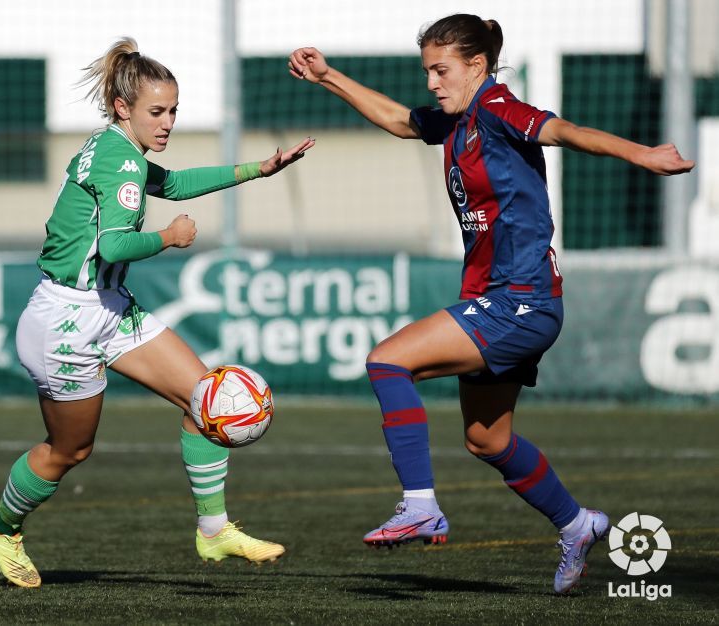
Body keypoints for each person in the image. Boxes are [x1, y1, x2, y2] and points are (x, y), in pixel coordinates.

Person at [289, 14, 693, 594]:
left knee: (387, 361)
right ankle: (578, 523)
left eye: (441, 70)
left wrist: (643, 155)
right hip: (505, 300)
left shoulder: (499, 108)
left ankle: (421, 503)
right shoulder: (458, 122)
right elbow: (400, 122)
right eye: (427, 70)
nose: (431, 82)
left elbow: (564, 131)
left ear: (477, 67)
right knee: (487, 440)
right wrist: (329, 77)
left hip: (518, 299)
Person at [0, 37, 315, 588]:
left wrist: (261, 168)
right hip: (67, 321)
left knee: (202, 397)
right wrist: (169, 236)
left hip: (109, 307)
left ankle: (213, 530)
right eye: (158, 111)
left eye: (174, 110)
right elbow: (112, 247)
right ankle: (2, 526)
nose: (169, 122)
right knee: (70, 449)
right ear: (122, 108)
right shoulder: (121, 163)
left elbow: (175, 183)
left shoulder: (117, 148)